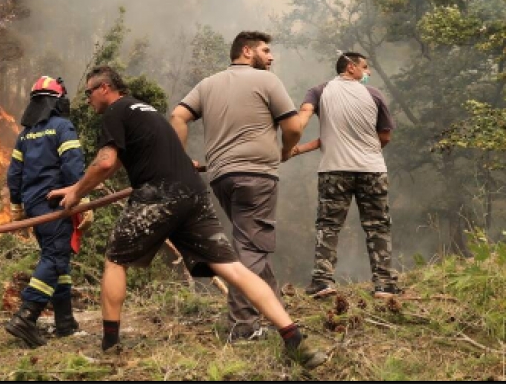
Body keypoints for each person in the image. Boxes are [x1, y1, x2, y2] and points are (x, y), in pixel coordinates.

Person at [49, 66, 326, 369]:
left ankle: (110, 347)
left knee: (115, 260)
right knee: (232, 268)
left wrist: (75, 195)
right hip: (193, 193)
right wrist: (76, 188)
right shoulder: (145, 111)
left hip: (160, 192)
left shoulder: (115, 111)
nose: (88, 99)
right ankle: (295, 340)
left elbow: (104, 162)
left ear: (105, 88)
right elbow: (117, 161)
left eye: (89, 92)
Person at [168, 31, 301, 342]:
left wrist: (182, 159)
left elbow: (178, 116)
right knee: (251, 248)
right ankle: (243, 325)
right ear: (246, 51)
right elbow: (293, 126)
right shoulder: (267, 81)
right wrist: (285, 150)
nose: (271, 56)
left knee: (250, 241)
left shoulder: (208, 84)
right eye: (265, 50)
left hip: (222, 177)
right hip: (256, 176)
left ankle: (277, 315)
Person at [290, 52, 400, 299]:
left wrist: (292, 143)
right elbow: (385, 136)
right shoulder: (374, 95)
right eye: (365, 67)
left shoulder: (318, 91)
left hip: (334, 169)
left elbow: (306, 120)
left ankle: (322, 282)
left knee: (328, 226)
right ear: (350, 67)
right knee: (378, 226)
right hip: (371, 169)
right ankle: (384, 284)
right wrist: (366, 151)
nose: (368, 72)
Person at [4, 76, 91, 348]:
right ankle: (26, 316)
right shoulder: (62, 126)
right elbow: (72, 164)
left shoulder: (25, 135)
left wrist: (17, 205)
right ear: (56, 102)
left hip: (34, 206)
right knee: (55, 258)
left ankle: (65, 323)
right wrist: (83, 197)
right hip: (57, 203)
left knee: (57, 259)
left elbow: (14, 173)